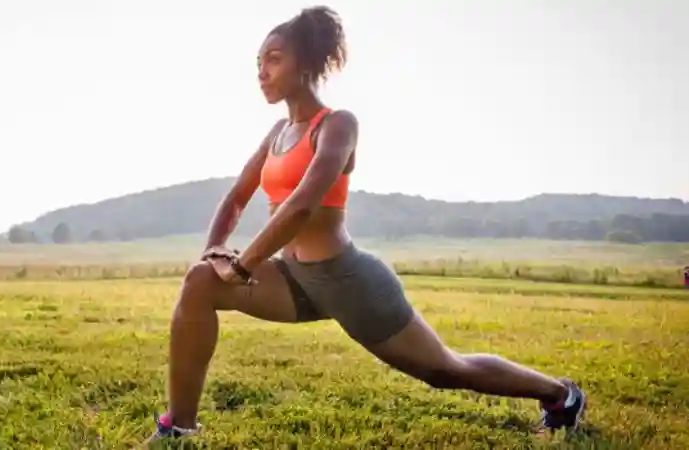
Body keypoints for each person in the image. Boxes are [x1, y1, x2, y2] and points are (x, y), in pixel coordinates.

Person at [146, 4, 587, 442]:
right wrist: (214, 251)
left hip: (348, 280)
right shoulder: (276, 135)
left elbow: (301, 205)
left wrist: (242, 266)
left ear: (306, 63)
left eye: (274, 59)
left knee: (445, 370)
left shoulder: (337, 125)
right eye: (258, 62)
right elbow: (235, 198)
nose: (261, 71)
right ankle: (179, 427)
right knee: (200, 281)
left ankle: (559, 394)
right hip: (294, 280)